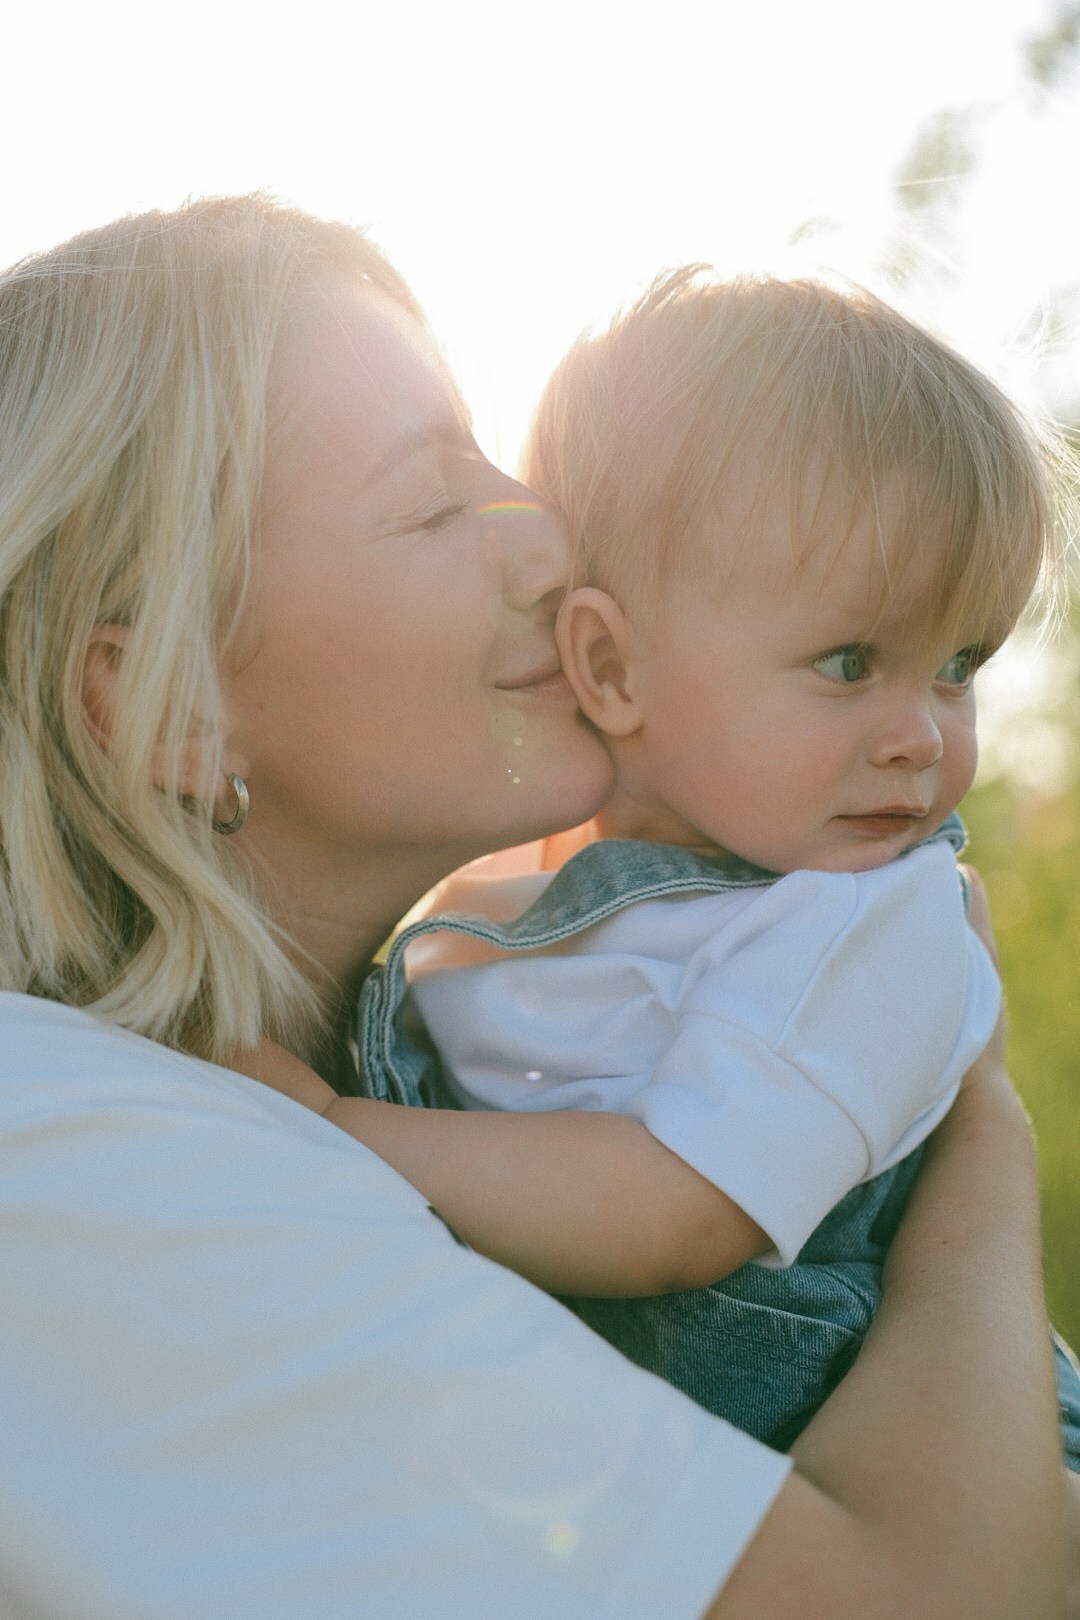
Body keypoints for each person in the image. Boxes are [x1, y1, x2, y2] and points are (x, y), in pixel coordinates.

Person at [0, 196, 1068, 1618]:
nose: (555, 546)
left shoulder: (424, 1022)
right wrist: (980, 1129)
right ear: (172, 703)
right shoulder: (70, 1149)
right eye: (435, 503)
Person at [250, 270, 1080, 1463]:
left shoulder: (864, 923)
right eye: (850, 662)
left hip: (921, 1466)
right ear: (611, 667)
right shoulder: (520, 890)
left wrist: (334, 1127)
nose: (922, 734)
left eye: (959, 665)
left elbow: (673, 1214)